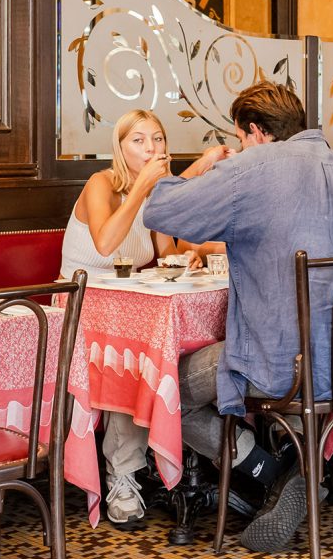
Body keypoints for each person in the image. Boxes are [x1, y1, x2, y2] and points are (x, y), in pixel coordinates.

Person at [143, 81, 333, 552]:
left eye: (238, 136)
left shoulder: (254, 167)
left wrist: (207, 166)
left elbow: (161, 211)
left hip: (280, 367)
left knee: (169, 388)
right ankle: (298, 472)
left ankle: (269, 472)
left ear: (255, 131)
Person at [58, 108, 225, 528]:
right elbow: (106, 241)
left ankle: (175, 459)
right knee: (129, 357)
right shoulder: (101, 184)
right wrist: (143, 190)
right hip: (81, 310)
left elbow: (167, 254)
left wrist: (206, 250)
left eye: (158, 139)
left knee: (149, 353)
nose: (151, 148)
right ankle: (123, 476)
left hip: (132, 312)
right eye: (139, 140)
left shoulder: (154, 194)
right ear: (120, 147)